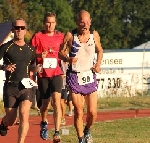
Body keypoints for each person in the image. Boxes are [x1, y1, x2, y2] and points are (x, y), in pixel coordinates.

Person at [59, 10, 103, 143]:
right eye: (82, 21)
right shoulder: (70, 35)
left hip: (89, 75)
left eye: (87, 21)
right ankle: (80, 139)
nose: (85, 24)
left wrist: (98, 64)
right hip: (74, 76)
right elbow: (60, 52)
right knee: (78, 110)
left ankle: (87, 130)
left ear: (91, 21)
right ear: (77, 22)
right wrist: (67, 58)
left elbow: (100, 50)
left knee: (93, 112)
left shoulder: (94, 35)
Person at [0, 18, 36, 143]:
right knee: (11, 119)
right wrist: (4, 67)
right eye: (17, 28)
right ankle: (4, 123)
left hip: (25, 86)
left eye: (22, 28)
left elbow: (31, 66)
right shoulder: (6, 47)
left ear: (25, 30)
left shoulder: (31, 49)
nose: (19, 30)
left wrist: (37, 68)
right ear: (13, 30)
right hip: (11, 87)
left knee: (24, 115)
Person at [30, 12, 64, 142]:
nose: (50, 25)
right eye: (48, 22)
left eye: (52, 22)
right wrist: (39, 55)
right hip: (43, 74)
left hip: (56, 73)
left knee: (57, 100)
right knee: (45, 105)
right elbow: (30, 52)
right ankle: (44, 122)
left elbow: (63, 52)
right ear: (44, 23)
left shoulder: (60, 36)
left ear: (55, 23)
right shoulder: (38, 36)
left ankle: (56, 132)